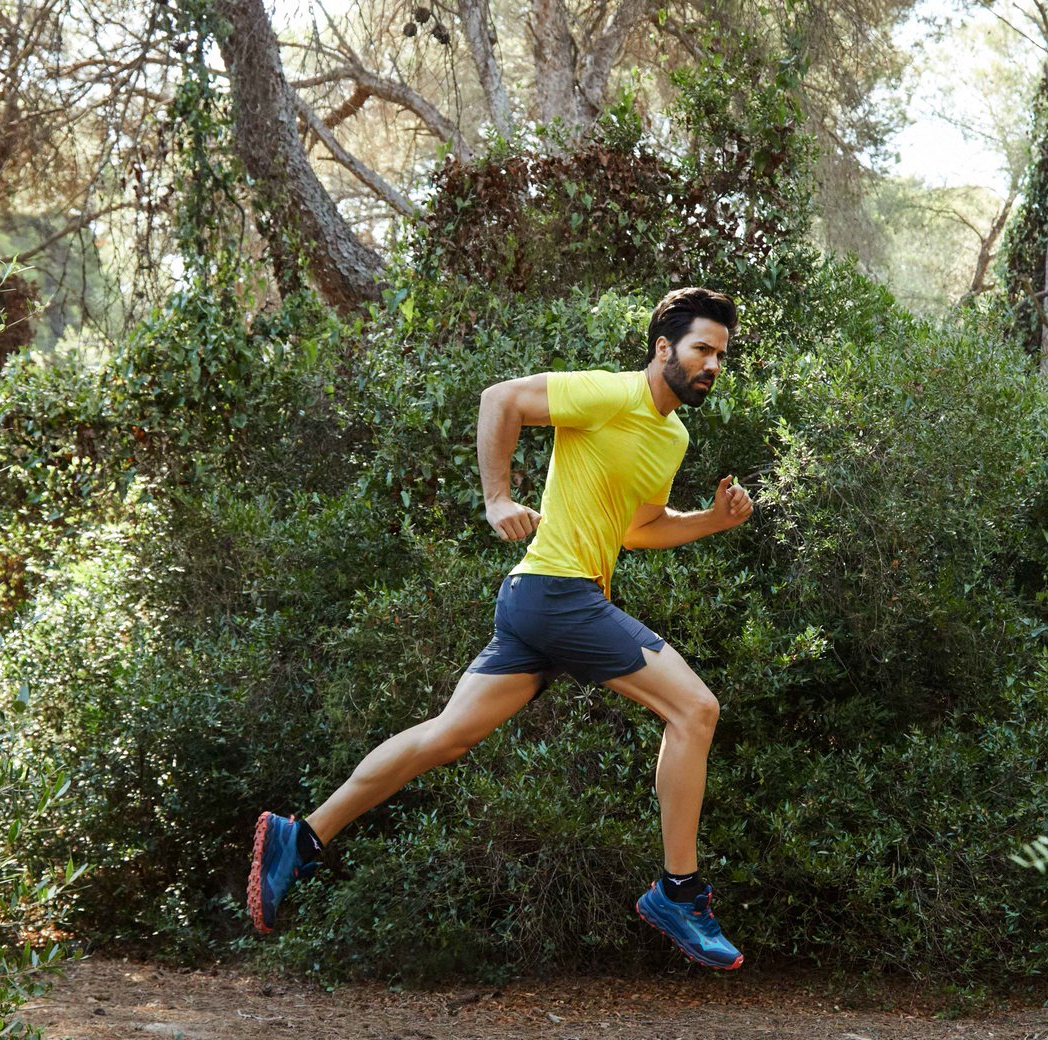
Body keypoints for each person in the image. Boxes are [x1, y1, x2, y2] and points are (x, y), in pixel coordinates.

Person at [248, 286, 754, 969]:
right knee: (695, 709)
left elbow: (638, 528)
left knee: (447, 736)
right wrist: (497, 499)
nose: (712, 365)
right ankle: (679, 891)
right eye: (701, 349)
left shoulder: (672, 437)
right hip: (558, 594)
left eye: (720, 355)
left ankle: (301, 837)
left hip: (541, 601)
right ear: (664, 347)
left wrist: (711, 521)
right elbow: (501, 399)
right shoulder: (609, 394)